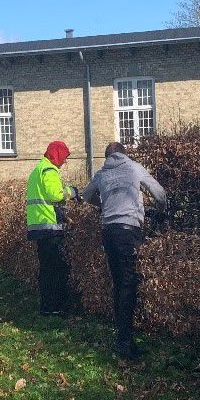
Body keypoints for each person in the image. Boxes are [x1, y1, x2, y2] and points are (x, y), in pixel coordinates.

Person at [81, 142, 166, 360]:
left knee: (119, 282)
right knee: (129, 283)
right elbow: (159, 194)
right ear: (124, 154)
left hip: (108, 232)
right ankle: (125, 342)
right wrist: (161, 211)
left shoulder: (102, 174)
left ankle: (122, 335)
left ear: (107, 156)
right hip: (128, 232)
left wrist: (103, 204)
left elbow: (86, 195)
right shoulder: (134, 167)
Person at [26, 140, 81, 316]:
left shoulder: (38, 169)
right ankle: (55, 307)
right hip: (50, 227)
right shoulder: (49, 170)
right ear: (56, 156)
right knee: (56, 269)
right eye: (63, 157)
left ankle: (47, 307)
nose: (64, 161)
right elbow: (55, 195)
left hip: (38, 225)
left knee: (46, 269)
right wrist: (72, 192)